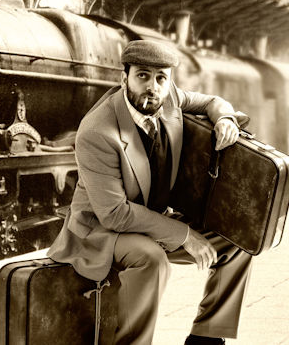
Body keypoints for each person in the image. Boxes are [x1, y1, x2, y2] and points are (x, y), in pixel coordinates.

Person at [47, 40, 252, 345]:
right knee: (151, 259)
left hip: (151, 221)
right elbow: (114, 214)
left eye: (161, 78)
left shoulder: (169, 99)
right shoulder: (97, 131)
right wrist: (185, 235)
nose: (152, 87)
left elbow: (212, 101)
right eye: (142, 75)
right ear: (124, 78)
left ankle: (206, 339)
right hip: (101, 231)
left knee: (238, 241)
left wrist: (225, 119)